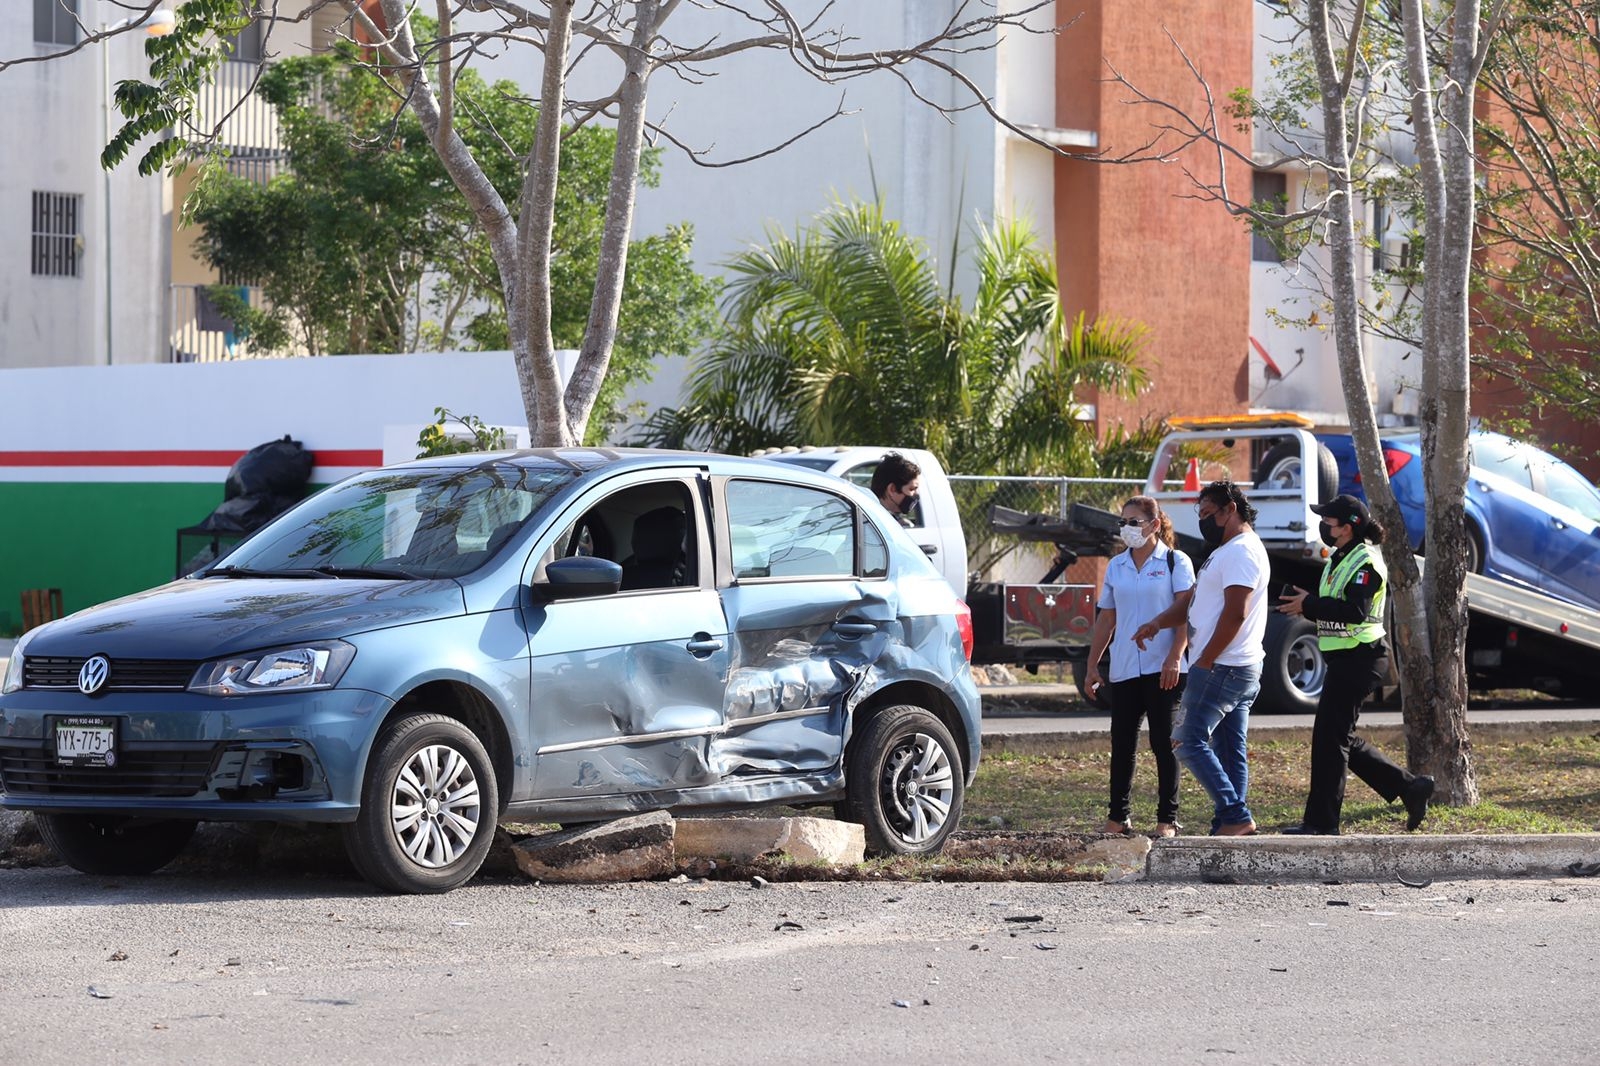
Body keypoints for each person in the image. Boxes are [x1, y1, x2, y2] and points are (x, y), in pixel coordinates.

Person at [1276, 494, 1434, 834]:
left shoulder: (1365, 562)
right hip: (1347, 658)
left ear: (1347, 527)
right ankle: (1410, 787)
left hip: (1362, 657)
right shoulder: (1341, 558)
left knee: (1330, 740)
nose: (1324, 526)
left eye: (1329, 522)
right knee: (1337, 737)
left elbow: (1354, 611)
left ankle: (1321, 824)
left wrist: (1310, 605)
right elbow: (1334, 603)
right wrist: (1306, 602)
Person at [1132, 481, 1270, 836]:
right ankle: (1229, 825)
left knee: (1185, 740)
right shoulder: (1227, 550)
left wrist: (1206, 658)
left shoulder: (1241, 552)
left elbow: (1235, 613)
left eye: (1210, 514)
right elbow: (1194, 600)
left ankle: (1235, 815)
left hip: (1223, 666)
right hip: (1234, 667)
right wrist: (1158, 622)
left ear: (1231, 510)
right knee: (1228, 750)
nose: (1204, 521)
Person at [1085, 496, 1195, 838]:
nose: (1127, 528)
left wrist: (1175, 656)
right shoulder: (1117, 566)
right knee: (1122, 743)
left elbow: (1184, 615)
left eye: (1134, 522)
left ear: (1154, 525)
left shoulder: (1176, 562)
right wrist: (1092, 665)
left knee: (1164, 742)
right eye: (1123, 522)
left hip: (1164, 666)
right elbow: (1108, 617)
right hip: (1125, 667)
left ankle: (1168, 818)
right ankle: (1118, 817)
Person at [871, 452, 922, 528]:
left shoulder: (891, 520)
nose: (916, 494)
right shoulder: (872, 523)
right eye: (911, 489)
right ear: (892, 489)